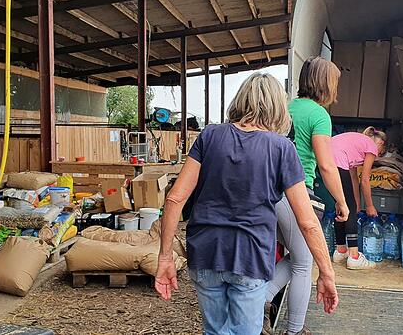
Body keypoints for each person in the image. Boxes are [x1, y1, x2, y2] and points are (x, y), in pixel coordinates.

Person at [155, 73, 338, 335]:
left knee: (215, 331)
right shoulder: (281, 148)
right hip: (250, 257)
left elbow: (175, 198)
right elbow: (307, 222)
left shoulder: (209, 136)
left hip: (206, 253)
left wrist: (164, 258)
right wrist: (327, 272)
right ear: (277, 107)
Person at [264, 57, 349, 335]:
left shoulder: (286, 107)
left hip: (269, 193)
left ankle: (256, 302)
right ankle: (292, 328)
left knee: (297, 258)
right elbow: (326, 164)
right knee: (304, 262)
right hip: (296, 194)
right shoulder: (318, 115)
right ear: (326, 84)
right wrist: (341, 200)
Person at [330, 127, 387, 269]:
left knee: (341, 205)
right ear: (381, 144)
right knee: (349, 209)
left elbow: (354, 177)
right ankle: (354, 257)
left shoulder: (357, 144)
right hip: (337, 160)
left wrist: (356, 202)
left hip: (326, 159)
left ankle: (341, 250)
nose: (378, 155)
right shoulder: (372, 146)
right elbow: (365, 180)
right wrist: (369, 205)